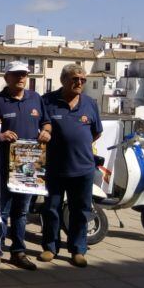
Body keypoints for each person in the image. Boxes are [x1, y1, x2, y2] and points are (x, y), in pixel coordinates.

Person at [0, 61, 52, 272]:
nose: (21, 77)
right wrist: (0, 135)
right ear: (6, 78)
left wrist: (47, 131)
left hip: (30, 165)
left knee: (21, 213)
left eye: (24, 74)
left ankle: (19, 252)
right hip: (3, 165)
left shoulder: (36, 99)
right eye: (17, 74)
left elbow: (46, 123)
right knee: (1, 210)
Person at [40, 64, 102, 268]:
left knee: (80, 211)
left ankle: (78, 250)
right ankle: (50, 247)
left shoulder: (90, 104)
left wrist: (78, 144)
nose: (79, 83)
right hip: (54, 168)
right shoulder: (47, 101)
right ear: (63, 80)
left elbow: (96, 132)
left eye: (82, 80)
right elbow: (41, 126)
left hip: (83, 168)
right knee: (51, 209)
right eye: (75, 79)